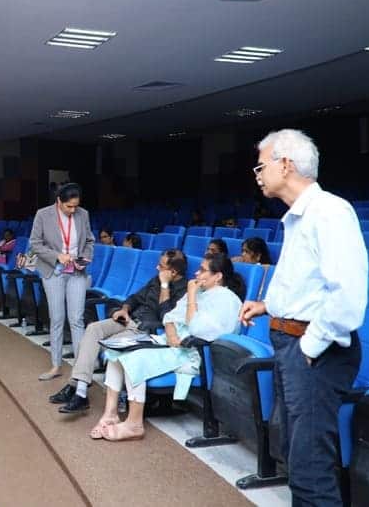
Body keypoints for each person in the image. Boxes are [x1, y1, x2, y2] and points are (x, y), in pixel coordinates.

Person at [240, 129, 367, 506]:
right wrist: (268, 306)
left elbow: (347, 295)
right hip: (293, 342)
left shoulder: (330, 212)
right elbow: (306, 282)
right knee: (297, 459)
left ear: (285, 164)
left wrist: (310, 348)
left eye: (261, 166)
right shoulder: (298, 217)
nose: (257, 175)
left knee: (311, 468)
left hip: (314, 348)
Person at [96, 252, 244, 441]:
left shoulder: (227, 300)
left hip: (194, 353)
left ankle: (134, 424)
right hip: (172, 344)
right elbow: (170, 316)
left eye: (203, 270)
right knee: (116, 352)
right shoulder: (202, 291)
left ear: (218, 276)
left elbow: (196, 328)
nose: (197, 274)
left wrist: (191, 296)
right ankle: (110, 414)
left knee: (133, 358)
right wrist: (172, 332)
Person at [51, 250, 188, 413]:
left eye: (161, 266)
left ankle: (79, 392)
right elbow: (134, 298)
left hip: (146, 330)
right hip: (129, 320)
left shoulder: (183, 291)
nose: (157, 268)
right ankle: (78, 388)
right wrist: (124, 310)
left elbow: (167, 317)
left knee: (107, 343)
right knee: (93, 329)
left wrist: (165, 286)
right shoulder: (155, 280)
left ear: (173, 272)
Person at [30, 182, 94, 381]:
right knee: (57, 319)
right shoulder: (43, 215)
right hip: (54, 271)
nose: (73, 210)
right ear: (59, 201)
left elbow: (89, 241)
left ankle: (80, 371)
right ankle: (56, 365)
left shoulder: (83, 214)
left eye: (76, 206)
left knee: (77, 320)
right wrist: (57, 256)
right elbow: (35, 244)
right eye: (69, 206)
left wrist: (84, 259)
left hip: (76, 272)